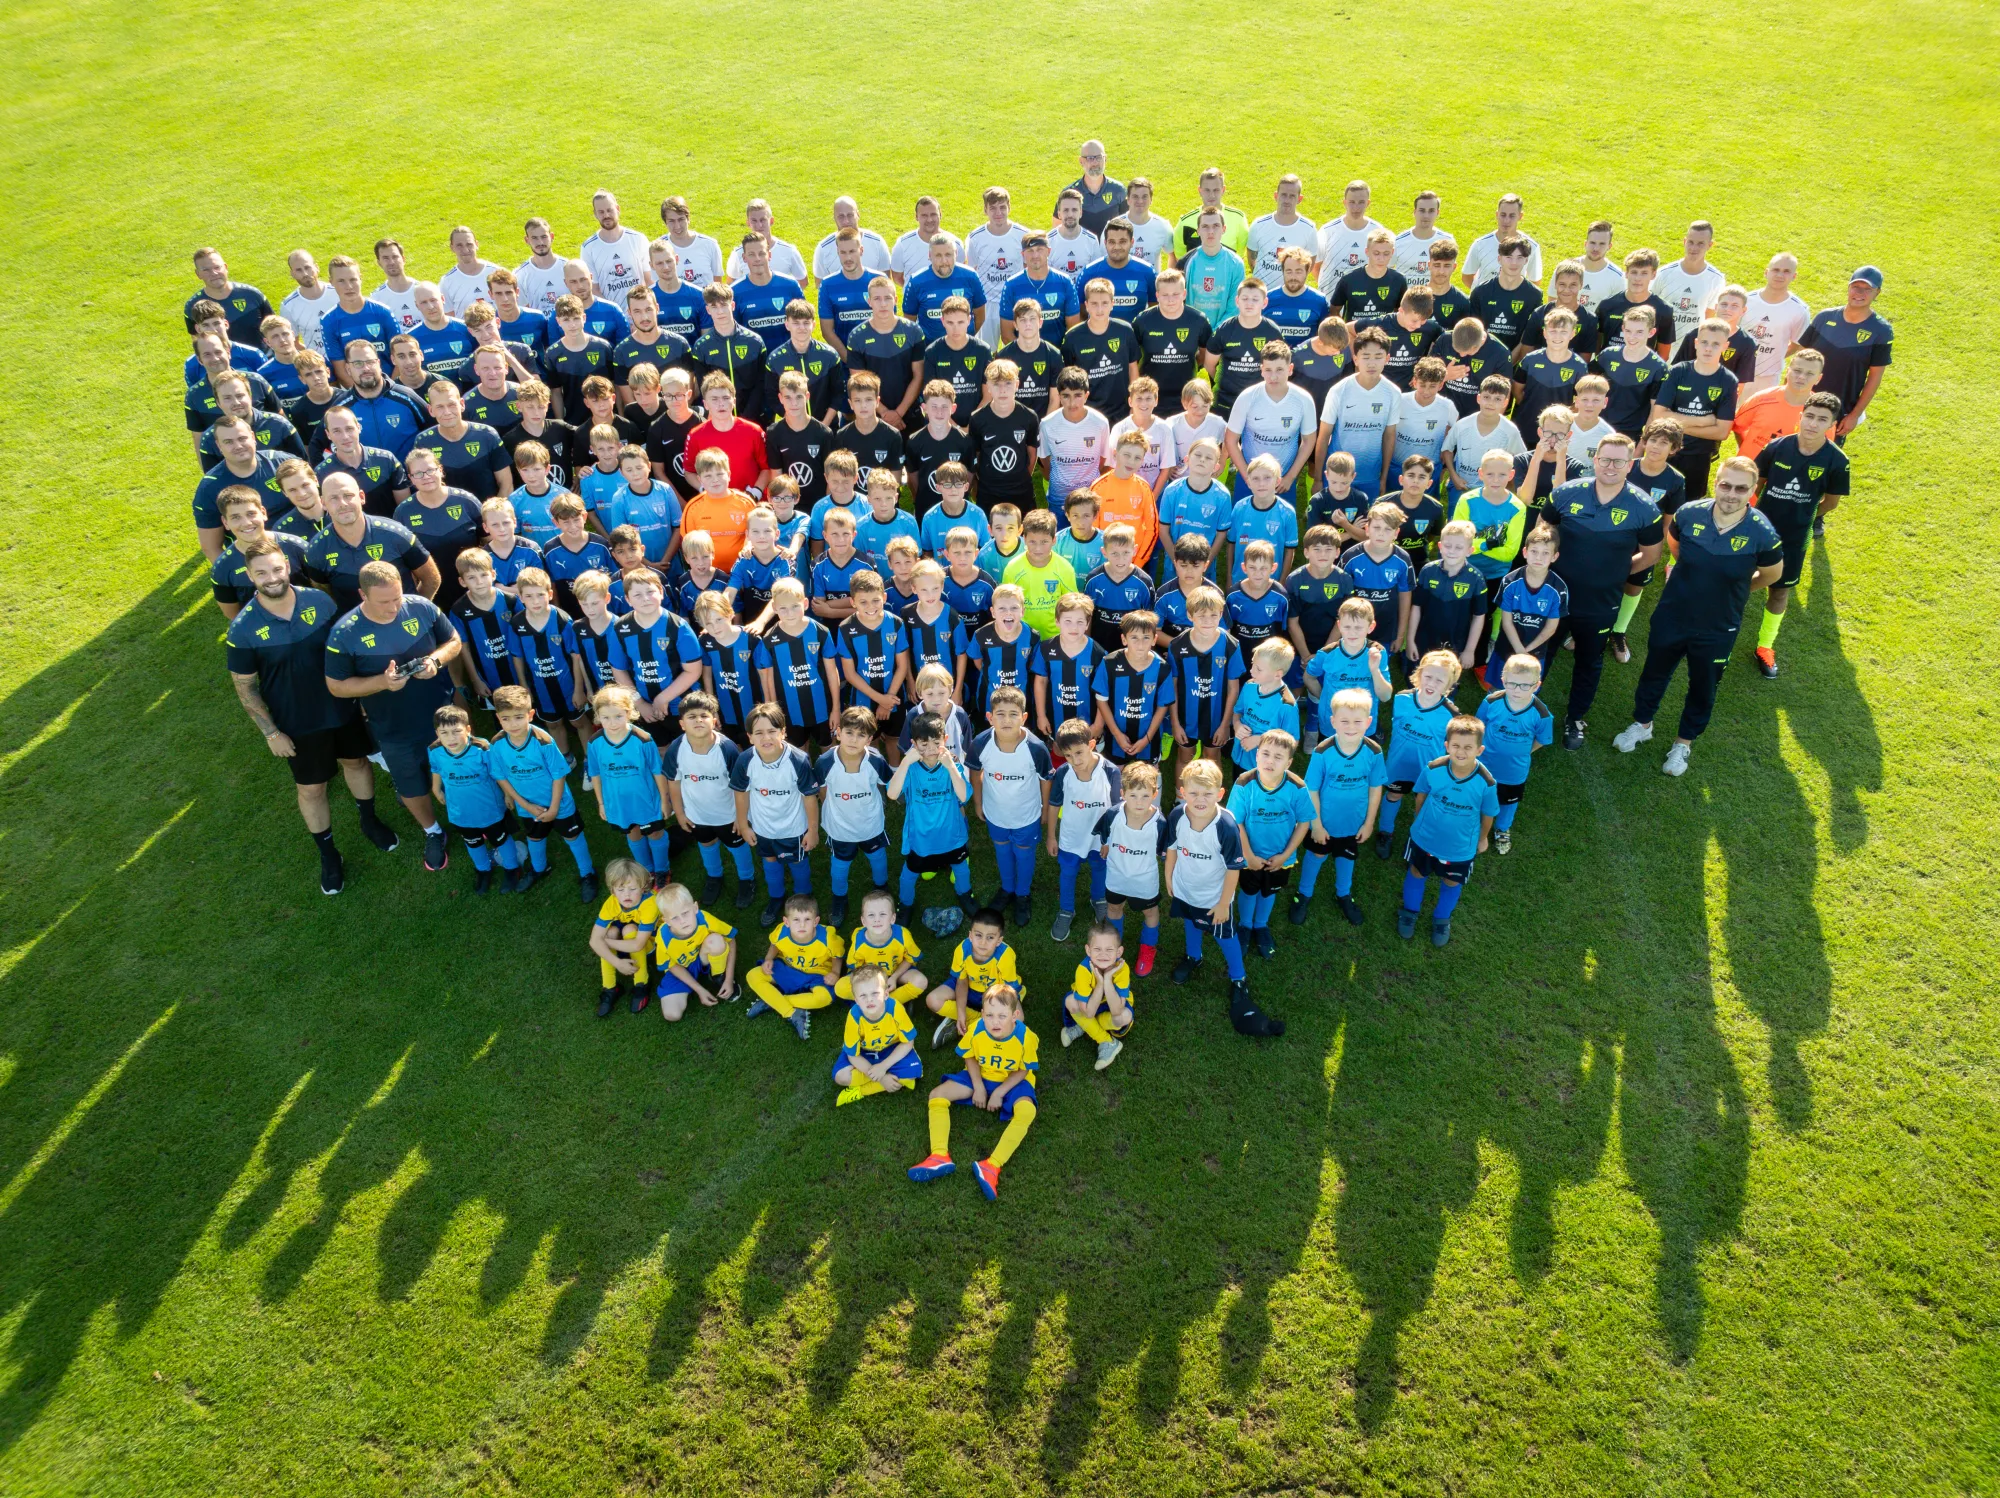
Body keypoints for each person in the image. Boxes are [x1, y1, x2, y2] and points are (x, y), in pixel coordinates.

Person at [223, 539, 395, 893]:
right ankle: (329, 854)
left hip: (342, 707)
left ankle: (368, 820)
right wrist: (271, 733)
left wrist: (363, 696)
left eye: (276, 569)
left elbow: (346, 651)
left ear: (287, 566)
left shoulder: (320, 601)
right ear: (250, 576)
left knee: (357, 763)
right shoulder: (242, 630)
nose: (272, 578)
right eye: (261, 573)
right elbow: (246, 688)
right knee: (312, 789)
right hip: (297, 723)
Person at [1610, 456, 1783, 774]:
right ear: (1716, 483)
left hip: (1718, 626)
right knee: (1654, 673)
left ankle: (1683, 744)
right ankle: (1642, 724)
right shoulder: (1689, 514)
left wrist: (1735, 589)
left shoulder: (1762, 532)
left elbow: (1772, 574)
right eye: (1726, 485)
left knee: (1703, 686)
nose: (1731, 494)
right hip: (1673, 614)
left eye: (1741, 489)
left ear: (1752, 491)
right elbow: (1675, 547)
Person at [321, 560, 462, 872]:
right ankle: (433, 831)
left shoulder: (421, 607)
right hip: (393, 728)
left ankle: (472, 816)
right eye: (384, 602)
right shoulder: (343, 635)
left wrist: (435, 661)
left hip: (443, 715)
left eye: (397, 597)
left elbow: (453, 641)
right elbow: (336, 686)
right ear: (362, 595)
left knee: (461, 767)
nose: (394, 607)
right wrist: (382, 683)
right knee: (411, 786)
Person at [1544, 433, 1664, 748]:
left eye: (1619, 461)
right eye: (1605, 459)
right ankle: (1524, 709)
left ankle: (1575, 719)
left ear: (1630, 465)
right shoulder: (1566, 493)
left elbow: (1651, 555)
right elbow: (1543, 530)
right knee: (1541, 652)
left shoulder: (1644, 507)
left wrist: (1616, 574)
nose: (1611, 466)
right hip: (1556, 595)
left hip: (1600, 602)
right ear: (1595, 460)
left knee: (1589, 661)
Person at [1164, 757, 1281, 1035]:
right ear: (1182, 792)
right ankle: (1194, 956)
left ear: (1220, 794)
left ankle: (1239, 978)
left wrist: (1223, 904)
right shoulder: (1177, 816)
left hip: (1215, 898)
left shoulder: (1226, 826)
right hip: (1185, 888)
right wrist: (1169, 878)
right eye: (1193, 793)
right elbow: (1172, 848)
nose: (1200, 800)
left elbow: (1233, 868)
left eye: (1207, 794)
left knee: (1225, 936)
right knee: (1191, 922)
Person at [907, 980, 1038, 1202]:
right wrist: (978, 1087)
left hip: (1012, 1082)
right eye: (989, 1015)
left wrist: (999, 1093)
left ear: (1015, 1015)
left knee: (1027, 1111)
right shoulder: (977, 1028)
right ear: (982, 1013)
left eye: (1002, 1016)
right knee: (937, 1095)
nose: (994, 1022)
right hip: (980, 1075)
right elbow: (969, 1057)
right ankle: (939, 1155)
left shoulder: (1027, 1037)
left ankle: (992, 1166)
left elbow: (1023, 1070)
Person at [1750, 394, 1848, 678]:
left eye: (1822, 419)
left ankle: (1765, 646)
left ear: (1831, 424)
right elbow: (1757, 483)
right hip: (1759, 531)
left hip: (1795, 537)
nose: (1813, 424)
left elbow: (1831, 503)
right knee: (1737, 577)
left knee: (1780, 590)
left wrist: (1804, 515)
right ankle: (1719, 629)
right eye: (1810, 416)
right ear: (1801, 416)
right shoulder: (1776, 447)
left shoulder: (1837, 461)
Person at [487, 684, 597, 899]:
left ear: (530, 715)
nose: (513, 724)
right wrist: (524, 804)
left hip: (559, 804)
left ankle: (587, 873)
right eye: (506, 718)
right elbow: (500, 776)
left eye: (518, 717)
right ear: (498, 718)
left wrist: (554, 808)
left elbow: (559, 775)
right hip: (528, 806)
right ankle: (539, 868)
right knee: (535, 837)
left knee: (573, 836)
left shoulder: (543, 741)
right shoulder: (497, 743)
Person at [1398, 716, 1500, 945]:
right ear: (1446, 745)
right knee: (1416, 871)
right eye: (1455, 745)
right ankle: (1409, 912)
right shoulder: (1433, 768)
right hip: (1424, 839)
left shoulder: (1486, 783)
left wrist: (1483, 839)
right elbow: (1421, 796)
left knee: (1452, 882)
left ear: (1480, 750)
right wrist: (1419, 821)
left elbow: (1488, 814)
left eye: (1468, 747)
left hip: (1459, 848)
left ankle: (1442, 919)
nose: (1460, 752)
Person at [1296, 685, 1388, 926]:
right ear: (1333, 721)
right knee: (1317, 854)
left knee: (1346, 856)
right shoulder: (1322, 751)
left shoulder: (1374, 752)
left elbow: (1375, 788)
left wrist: (1369, 823)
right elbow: (1311, 789)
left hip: (1353, 823)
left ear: (1368, 722)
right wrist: (1316, 825)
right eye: (1344, 721)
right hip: (1324, 823)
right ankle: (1303, 894)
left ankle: (1343, 894)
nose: (1351, 727)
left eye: (1357, 722)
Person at [661, 690, 756, 906]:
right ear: (682, 724)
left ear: (714, 721)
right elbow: (673, 782)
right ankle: (714, 876)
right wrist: (680, 813)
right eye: (691, 717)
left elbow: (741, 787)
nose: (698, 721)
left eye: (704, 716)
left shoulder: (727, 749)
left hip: (728, 815)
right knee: (706, 843)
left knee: (737, 847)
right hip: (697, 815)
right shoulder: (676, 749)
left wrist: (740, 817)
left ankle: (746, 879)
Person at [1224, 728, 1315, 955]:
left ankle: (1261, 925)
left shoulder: (1297, 787)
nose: (1270, 761)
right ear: (1256, 755)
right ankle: (1245, 925)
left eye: (1278, 757)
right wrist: (1248, 856)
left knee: (1269, 891)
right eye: (1265, 753)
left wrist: (1285, 855)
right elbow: (1236, 823)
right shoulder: (1244, 783)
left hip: (1280, 857)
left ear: (1289, 762)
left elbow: (1304, 823)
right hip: (1250, 855)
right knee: (1249, 890)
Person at [731, 701, 822, 922]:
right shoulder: (745, 760)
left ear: (783, 732)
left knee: (798, 861)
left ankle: (803, 897)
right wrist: (743, 824)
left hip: (793, 828)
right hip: (763, 827)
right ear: (750, 737)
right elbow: (741, 793)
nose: (766, 738)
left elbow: (809, 797)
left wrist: (812, 831)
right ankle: (776, 897)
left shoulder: (798, 760)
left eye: (772, 731)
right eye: (759, 733)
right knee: (770, 859)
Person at [428, 704, 527, 895]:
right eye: (444, 733)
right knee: (472, 842)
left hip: (490, 809)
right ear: (437, 734)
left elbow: (499, 773)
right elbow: (436, 769)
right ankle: (483, 870)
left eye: (456, 732)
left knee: (501, 839)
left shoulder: (482, 749)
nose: (451, 738)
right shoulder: (434, 750)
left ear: (468, 729)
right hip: (460, 812)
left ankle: (512, 868)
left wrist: (507, 794)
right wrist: (436, 788)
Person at [306, 471, 439, 612]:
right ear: (323, 503)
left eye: (348, 495)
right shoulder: (316, 551)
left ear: (361, 497)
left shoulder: (396, 534)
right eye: (334, 498)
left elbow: (431, 579)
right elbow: (326, 598)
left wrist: (415, 612)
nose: (342, 504)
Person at [583, 684, 673, 887]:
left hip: (646, 800)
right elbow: (595, 774)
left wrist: (665, 800)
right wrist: (601, 803)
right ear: (597, 717)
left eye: (618, 716)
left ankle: (662, 870)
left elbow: (657, 771)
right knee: (633, 832)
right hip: (618, 803)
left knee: (655, 833)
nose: (612, 723)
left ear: (629, 712)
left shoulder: (642, 739)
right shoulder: (595, 742)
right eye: (606, 718)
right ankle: (645, 871)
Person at [888, 713, 976, 916]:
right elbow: (892, 794)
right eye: (923, 744)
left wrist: (951, 767)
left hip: (952, 834)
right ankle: (905, 904)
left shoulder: (951, 765)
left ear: (945, 740)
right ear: (913, 744)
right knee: (910, 873)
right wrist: (905, 762)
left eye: (936, 743)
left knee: (961, 868)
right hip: (921, 837)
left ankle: (965, 894)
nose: (930, 750)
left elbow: (964, 796)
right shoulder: (911, 769)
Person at [814, 705, 893, 926]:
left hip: (871, 824)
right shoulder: (825, 762)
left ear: (869, 739)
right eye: (849, 732)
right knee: (840, 865)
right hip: (840, 828)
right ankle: (839, 898)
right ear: (838, 733)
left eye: (861, 735)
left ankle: (881, 888)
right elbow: (821, 789)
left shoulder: (876, 761)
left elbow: (889, 784)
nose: (853, 740)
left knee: (877, 858)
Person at [1795, 266, 1893, 442]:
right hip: (1802, 401)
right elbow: (1799, 360)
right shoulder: (1824, 317)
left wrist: (1855, 415)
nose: (1859, 293)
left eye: (1867, 289)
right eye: (1856, 287)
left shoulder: (1881, 331)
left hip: (1838, 410)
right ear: (1848, 287)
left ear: (1877, 292)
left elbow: (1875, 377)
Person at [1650, 316, 1740, 498]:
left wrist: (1676, 422)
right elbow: (1658, 416)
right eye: (1704, 342)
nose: (1708, 348)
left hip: (1699, 456)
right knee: (1658, 500)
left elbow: (1722, 432)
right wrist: (1703, 421)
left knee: (1690, 502)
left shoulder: (1728, 381)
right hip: (1667, 449)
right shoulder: (1678, 371)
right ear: (1696, 343)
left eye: (1715, 344)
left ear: (1725, 346)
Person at [1474, 655, 1554, 855]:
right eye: (1512, 684)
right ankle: (1474, 820)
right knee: (1478, 792)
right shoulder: (1491, 701)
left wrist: (1525, 752)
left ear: (1537, 685)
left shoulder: (1542, 714)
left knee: (1508, 802)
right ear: (1503, 680)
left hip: (1514, 771)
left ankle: (1502, 828)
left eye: (1525, 686)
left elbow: (1542, 739)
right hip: (1484, 764)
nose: (1517, 690)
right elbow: (1479, 725)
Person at [743, 893, 840, 1041]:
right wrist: (768, 959)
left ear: (816, 921)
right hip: (788, 969)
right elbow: (775, 944)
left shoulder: (828, 938)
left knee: (824, 997)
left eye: (807, 919)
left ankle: (772, 1001)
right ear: (786, 922)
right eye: (796, 920)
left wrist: (835, 972)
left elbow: (837, 955)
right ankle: (791, 1013)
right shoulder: (781, 932)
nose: (802, 925)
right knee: (753, 975)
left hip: (816, 974)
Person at [831, 966, 922, 1106]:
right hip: (864, 1052)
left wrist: (883, 1066)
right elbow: (852, 1055)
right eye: (863, 996)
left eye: (875, 993)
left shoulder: (895, 1008)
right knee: (841, 1077)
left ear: (886, 994)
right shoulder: (854, 1017)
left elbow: (908, 1042)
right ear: (856, 1000)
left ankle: (861, 1091)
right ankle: (888, 1078)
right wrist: (882, 1077)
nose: (869, 1000)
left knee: (911, 1074)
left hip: (891, 1048)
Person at [650, 882, 738, 1023]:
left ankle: (717, 975)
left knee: (716, 941)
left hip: (704, 957)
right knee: (672, 1014)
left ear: (695, 908)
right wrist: (699, 989)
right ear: (666, 921)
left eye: (685, 913)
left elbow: (731, 939)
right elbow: (671, 966)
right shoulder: (663, 937)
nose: (682, 921)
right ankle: (695, 983)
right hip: (682, 968)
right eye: (674, 918)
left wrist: (729, 978)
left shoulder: (705, 919)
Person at [589, 858, 661, 1018]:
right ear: (612, 890)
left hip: (652, 943)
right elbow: (594, 940)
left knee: (629, 929)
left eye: (632, 889)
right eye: (620, 889)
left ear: (643, 887)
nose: (626, 894)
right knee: (611, 932)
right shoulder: (612, 903)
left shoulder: (650, 903)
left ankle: (641, 983)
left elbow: (638, 945)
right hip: (625, 942)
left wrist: (603, 942)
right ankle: (610, 988)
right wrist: (617, 963)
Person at [1729, 346, 1826, 460]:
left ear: (1818, 378)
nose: (1801, 377)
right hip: (1749, 468)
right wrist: (1747, 452)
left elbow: (1823, 451)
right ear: (1788, 371)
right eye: (1797, 371)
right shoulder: (1761, 399)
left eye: (1809, 373)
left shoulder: (1822, 413)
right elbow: (1737, 426)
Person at [1743, 252, 1812, 391]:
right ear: (1766, 272)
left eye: (1786, 271)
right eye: (1776, 270)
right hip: (1736, 369)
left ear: (1794, 276)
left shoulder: (1800, 310)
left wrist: (1777, 357)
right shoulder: (1746, 300)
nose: (1780, 275)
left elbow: (1798, 345)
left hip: (1767, 378)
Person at [1655, 221, 1728, 346]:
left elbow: (1709, 316)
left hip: (1691, 347)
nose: (1694, 248)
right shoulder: (1664, 273)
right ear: (1684, 242)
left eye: (1700, 244)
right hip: (1662, 345)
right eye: (1691, 242)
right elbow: (1650, 306)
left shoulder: (1716, 279)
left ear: (1710, 245)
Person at [1314, 179, 1387, 294]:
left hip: (1365, 301)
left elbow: (1385, 266)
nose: (1356, 207)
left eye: (1361, 202)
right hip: (1331, 300)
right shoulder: (1328, 231)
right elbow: (1316, 265)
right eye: (1352, 202)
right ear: (1344, 202)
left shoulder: (1377, 232)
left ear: (1368, 203)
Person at [1179, 208, 1246, 329]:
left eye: (1216, 226)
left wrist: (1215, 332)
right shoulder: (1185, 262)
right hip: (1191, 331)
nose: (1211, 231)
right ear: (1198, 231)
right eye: (1205, 226)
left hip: (1223, 332)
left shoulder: (1236, 264)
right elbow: (1177, 301)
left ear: (1223, 229)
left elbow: (1234, 307)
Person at [1460, 193, 1543, 287]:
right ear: (1497, 214)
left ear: (1520, 216)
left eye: (1512, 216)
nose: (1506, 220)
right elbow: (1467, 277)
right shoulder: (1480, 244)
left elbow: (1535, 281)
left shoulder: (1531, 247)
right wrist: (1482, 294)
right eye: (1503, 215)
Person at [725, 198, 808, 284]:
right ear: (748, 223)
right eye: (754, 221)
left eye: (763, 220)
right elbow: (731, 284)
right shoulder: (738, 254)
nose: (759, 225)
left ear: (771, 221)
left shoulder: (789, 251)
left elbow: (803, 281)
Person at [810, 195, 891, 282]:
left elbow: (886, 282)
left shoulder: (877, 243)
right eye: (841, 216)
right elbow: (820, 284)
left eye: (850, 215)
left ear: (858, 215)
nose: (846, 221)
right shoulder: (823, 249)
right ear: (834, 218)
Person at [890, 195, 962, 288]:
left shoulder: (955, 244)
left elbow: (961, 274)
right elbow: (897, 277)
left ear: (940, 214)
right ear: (916, 217)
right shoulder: (902, 244)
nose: (929, 219)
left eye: (933, 214)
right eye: (924, 215)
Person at [657, 195, 725, 288]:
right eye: (671, 221)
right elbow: (656, 284)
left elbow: (718, 282)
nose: (677, 226)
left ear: (688, 219)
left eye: (681, 219)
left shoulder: (710, 244)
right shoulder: (657, 249)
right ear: (665, 222)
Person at [1391, 190, 1453, 283]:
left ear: (1437, 213)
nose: (1426, 216)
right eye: (1422, 210)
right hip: (1405, 293)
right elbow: (1387, 270)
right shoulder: (1398, 241)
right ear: (1415, 212)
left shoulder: (1447, 241)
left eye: (1431, 211)